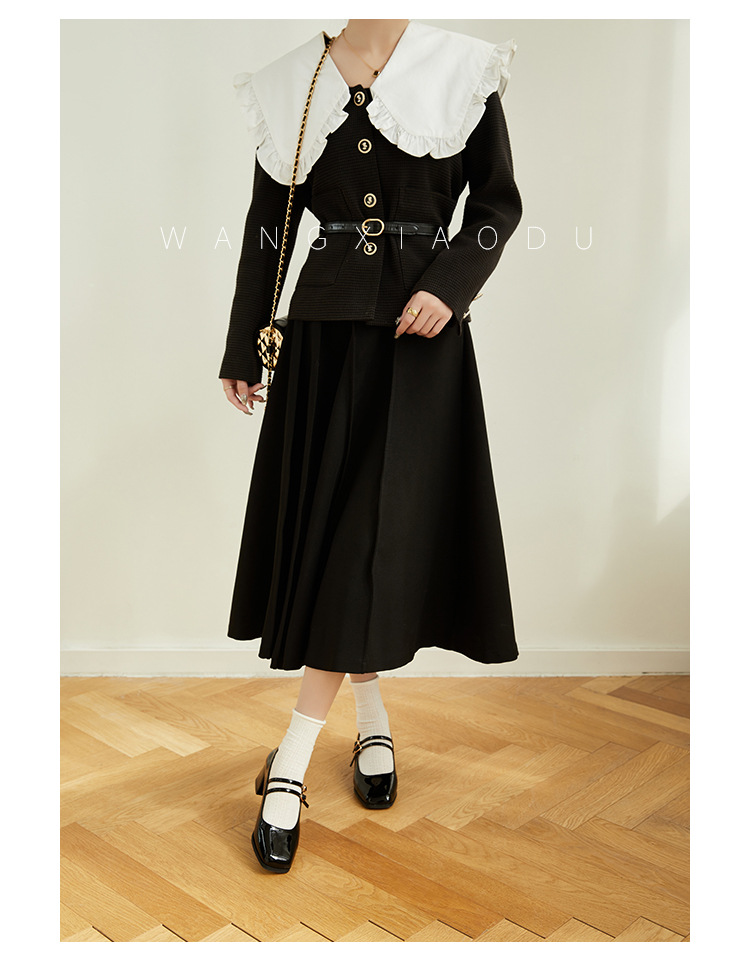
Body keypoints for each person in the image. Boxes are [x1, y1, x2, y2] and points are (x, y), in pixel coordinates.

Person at [219, 18, 522, 873]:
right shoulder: (292, 79)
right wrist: (244, 345)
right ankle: (374, 723)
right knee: (342, 543)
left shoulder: (463, 68)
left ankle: (289, 764)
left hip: (420, 345)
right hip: (321, 341)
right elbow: (270, 226)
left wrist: (450, 286)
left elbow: (497, 207)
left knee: (362, 544)